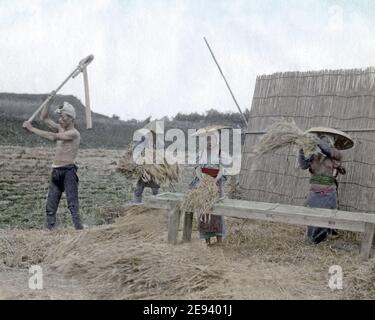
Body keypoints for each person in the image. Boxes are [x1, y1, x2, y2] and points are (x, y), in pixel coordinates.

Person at [22, 97, 83, 230]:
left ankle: (79, 230)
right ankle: (50, 230)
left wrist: (32, 129)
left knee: (72, 204)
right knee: (50, 205)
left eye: (63, 117)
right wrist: (49, 101)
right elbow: (44, 118)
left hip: (68, 171)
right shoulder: (60, 128)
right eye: (60, 117)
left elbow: (53, 137)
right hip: (56, 171)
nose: (60, 120)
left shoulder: (74, 133)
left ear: (71, 118)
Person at [298, 128, 353, 244]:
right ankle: (313, 239)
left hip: (329, 192)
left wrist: (316, 140)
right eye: (323, 141)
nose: (325, 143)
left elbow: (327, 150)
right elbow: (303, 165)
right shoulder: (314, 156)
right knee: (314, 215)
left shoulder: (336, 155)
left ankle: (327, 237)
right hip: (315, 191)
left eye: (326, 141)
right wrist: (301, 149)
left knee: (328, 215)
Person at [189, 126, 229, 246]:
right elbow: (197, 168)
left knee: (216, 211)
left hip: (216, 183)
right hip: (203, 182)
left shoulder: (221, 153)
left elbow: (222, 169)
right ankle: (207, 241)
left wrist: (215, 180)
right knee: (204, 210)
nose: (209, 143)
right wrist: (202, 179)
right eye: (207, 140)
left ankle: (219, 240)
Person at [132, 121, 160, 203]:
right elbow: (135, 151)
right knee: (138, 190)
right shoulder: (142, 141)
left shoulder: (158, 143)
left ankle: (156, 206)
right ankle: (136, 206)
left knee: (155, 190)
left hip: (154, 171)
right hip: (143, 170)